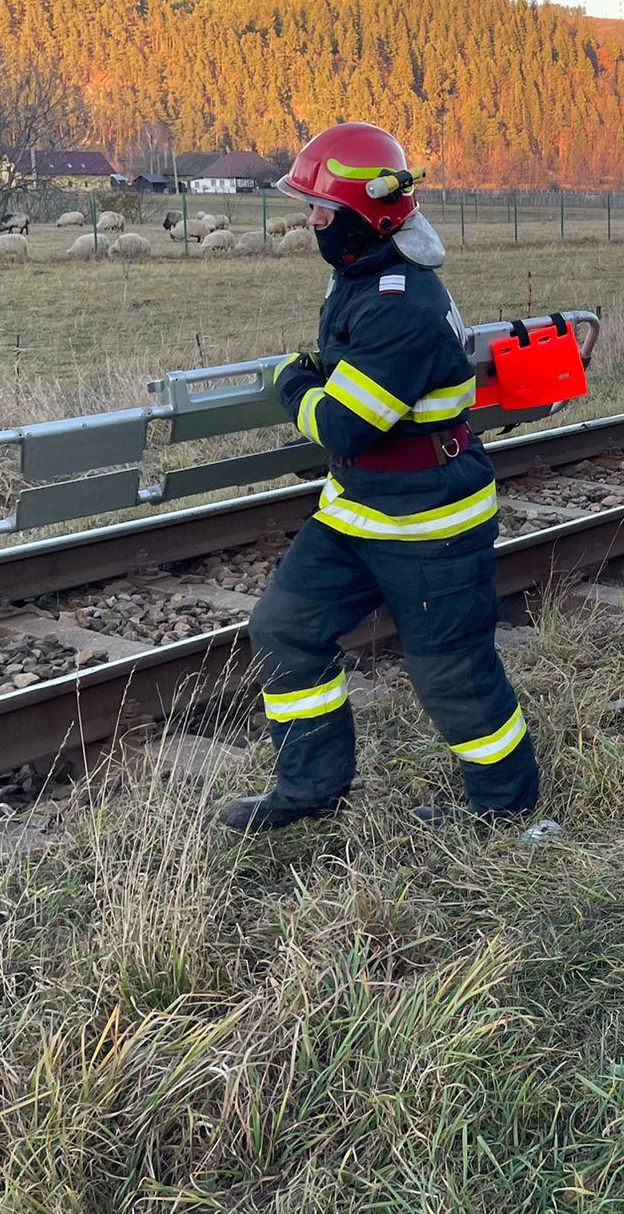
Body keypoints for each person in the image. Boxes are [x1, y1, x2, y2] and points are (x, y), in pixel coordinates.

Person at [217, 121, 538, 832]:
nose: (311, 222)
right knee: (283, 629)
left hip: (429, 522)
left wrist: (290, 387)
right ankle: (310, 790)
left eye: (321, 211)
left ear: (367, 217)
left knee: (451, 673)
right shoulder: (361, 278)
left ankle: (504, 807)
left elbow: (342, 426)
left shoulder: (403, 306)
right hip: (358, 510)